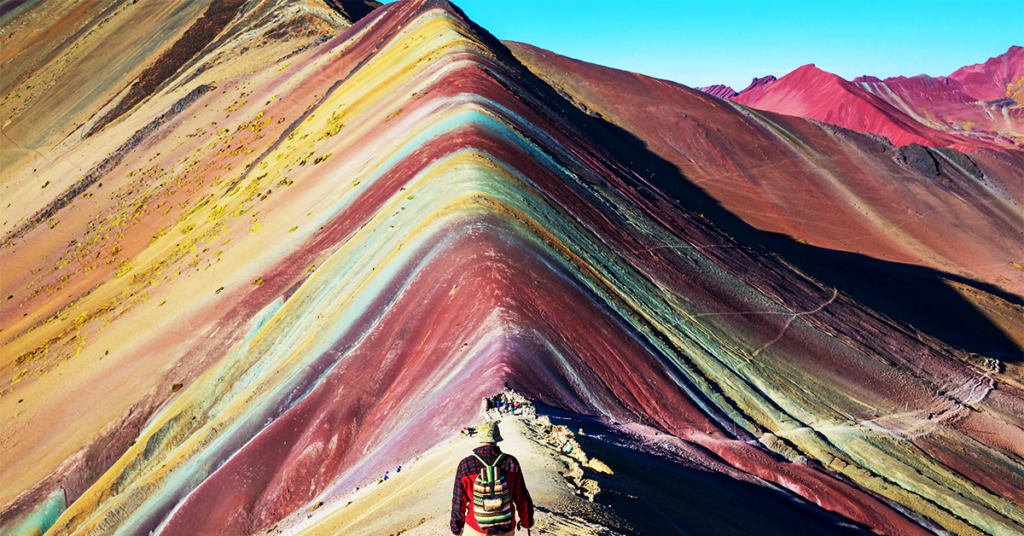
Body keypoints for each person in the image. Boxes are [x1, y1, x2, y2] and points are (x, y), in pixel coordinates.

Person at [450, 421, 533, 535]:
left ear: (479, 439)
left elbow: (458, 501)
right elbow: (522, 497)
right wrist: (527, 522)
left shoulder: (466, 464)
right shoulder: (511, 462)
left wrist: (455, 529)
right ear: (497, 439)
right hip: (505, 528)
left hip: (476, 528)